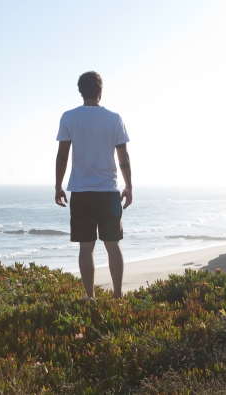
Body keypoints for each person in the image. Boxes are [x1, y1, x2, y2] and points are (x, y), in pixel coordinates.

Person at [54, 71, 132, 299]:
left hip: (81, 191)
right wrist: (129, 186)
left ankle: (90, 298)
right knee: (113, 245)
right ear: (100, 91)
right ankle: (117, 298)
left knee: (86, 248)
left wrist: (58, 186)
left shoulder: (69, 117)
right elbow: (123, 157)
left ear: (81, 91)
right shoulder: (114, 118)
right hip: (109, 191)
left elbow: (62, 156)